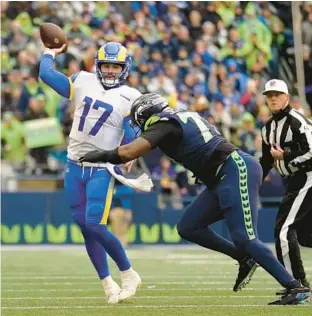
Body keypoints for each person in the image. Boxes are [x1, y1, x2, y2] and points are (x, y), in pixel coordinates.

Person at [79, 92, 311, 305]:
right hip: (222, 175)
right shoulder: (180, 116)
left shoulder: (164, 124)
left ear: (146, 114)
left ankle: (295, 286)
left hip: (234, 170)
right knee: (189, 226)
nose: (139, 126)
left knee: (245, 237)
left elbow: (130, 151)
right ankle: (243, 258)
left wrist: (97, 156)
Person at [39, 42, 142, 304]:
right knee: (85, 227)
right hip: (74, 165)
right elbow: (47, 75)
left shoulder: (131, 96)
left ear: (124, 68)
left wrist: (129, 152)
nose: (109, 71)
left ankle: (128, 273)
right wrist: (50, 53)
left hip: (101, 168)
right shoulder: (83, 80)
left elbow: (132, 131)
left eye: (114, 66)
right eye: (106, 65)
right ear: (98, 65)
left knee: (95, 224)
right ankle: (107, 283)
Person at [259, 79, 312, 294]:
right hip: (292, 181)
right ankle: (297, 283)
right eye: (269, 95)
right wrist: (251, 182)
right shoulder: (267, 128)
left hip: (307, 177)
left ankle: (296, 284)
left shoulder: (297, 121)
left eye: (277, 94)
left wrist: (287, 155)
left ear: (287, 97)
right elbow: (265, 162)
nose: (273, 98)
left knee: (283, 230)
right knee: (306, 235)